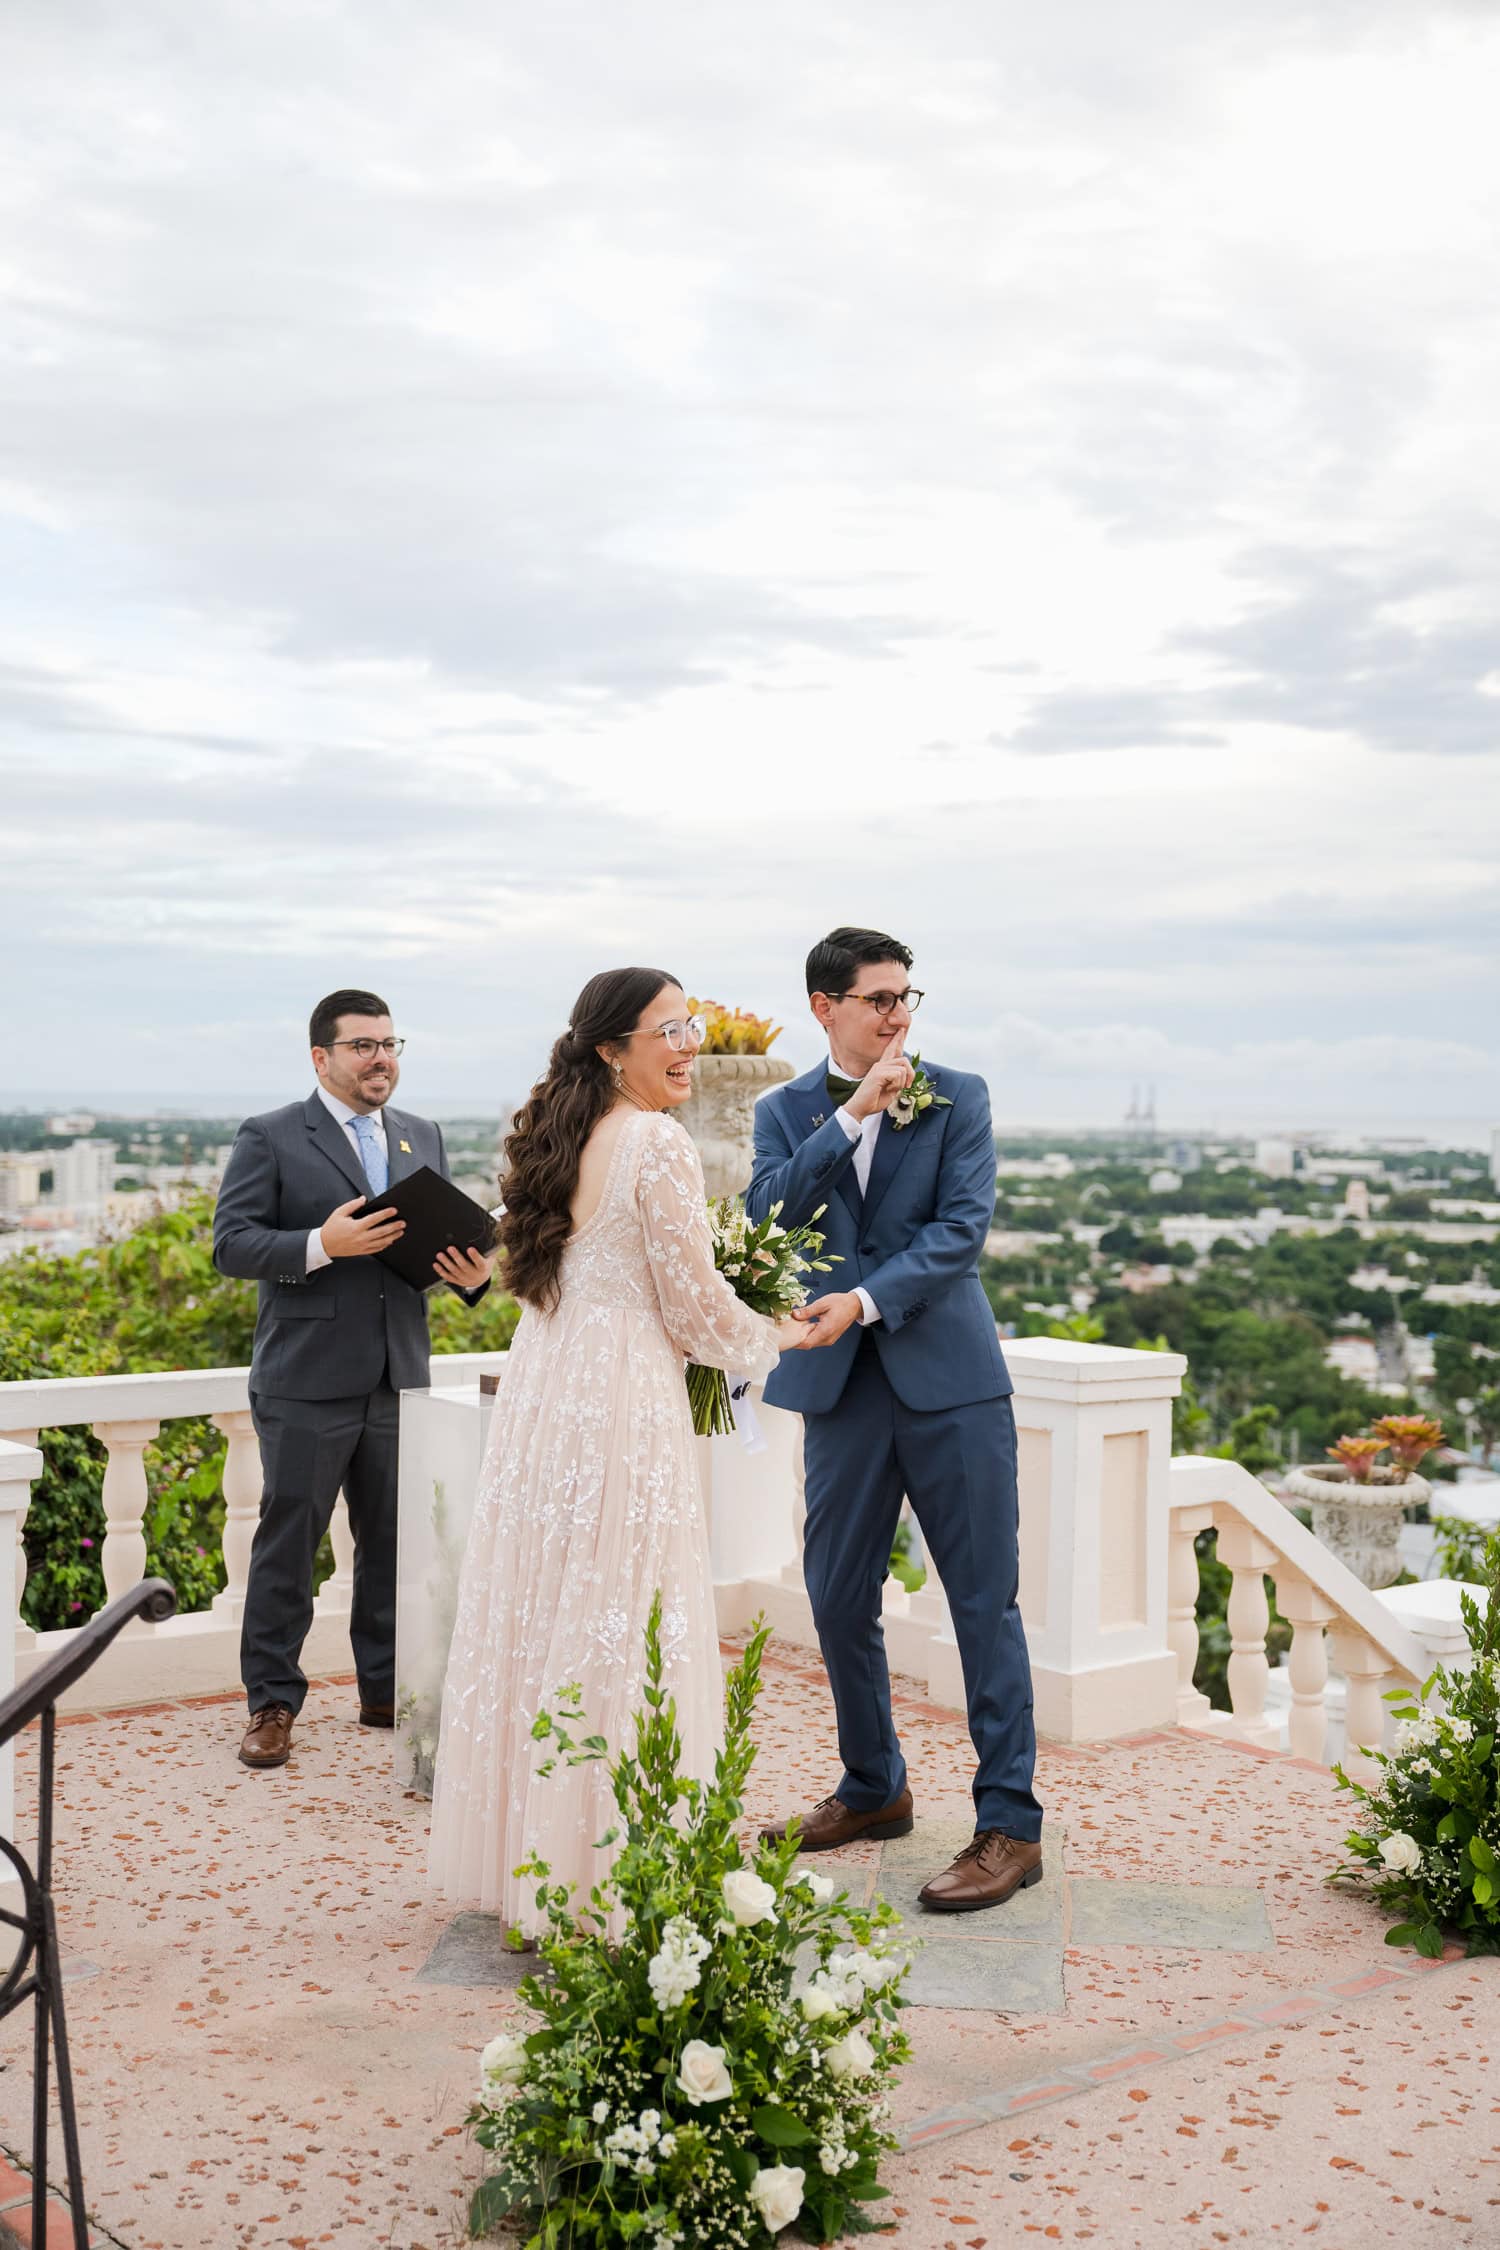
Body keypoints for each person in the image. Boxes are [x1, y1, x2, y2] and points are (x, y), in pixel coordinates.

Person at [428, 967, 807, 1938]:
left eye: (690, 1027)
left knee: (553, 1609)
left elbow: (551, 1277)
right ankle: (615, 1877)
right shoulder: (655, 1142)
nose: (687, 1045)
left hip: (548, 1396)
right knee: (626, 1617)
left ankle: (541, 1868)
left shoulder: (568, 1136)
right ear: (611, 1046)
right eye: (667, 1030)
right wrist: (776, 1336)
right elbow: (691, 1303)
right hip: (621, 1404)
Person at [747, 926, 1044, 1911]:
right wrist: (850, 1122)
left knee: (981, 1602)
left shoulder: (961, 1096)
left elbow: (960, 1232)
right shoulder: (785, 1111)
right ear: (826, 1007)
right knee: (836, 1593)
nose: (899, 1014)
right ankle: (874, 1786)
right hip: (840, 1392)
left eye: (908, 996)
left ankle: (1009, 1821)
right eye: (879, 998)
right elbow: (768, 1218)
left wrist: (865, 1302)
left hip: (949, 1381)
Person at [213, 988, 495, 1771]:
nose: (382, 1058)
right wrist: (320, 1243)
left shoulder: (420, 1134)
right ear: (322, 1058)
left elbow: (423, 1255)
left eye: (391, 1043)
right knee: (288, 1546)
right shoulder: (270, 1135)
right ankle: (271, 1703)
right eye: (364, 1045)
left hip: (398, 1374)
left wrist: (468, 1274)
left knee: (393, 1545)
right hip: (305, 1380)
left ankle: (386, 1689)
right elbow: (232, 1245)